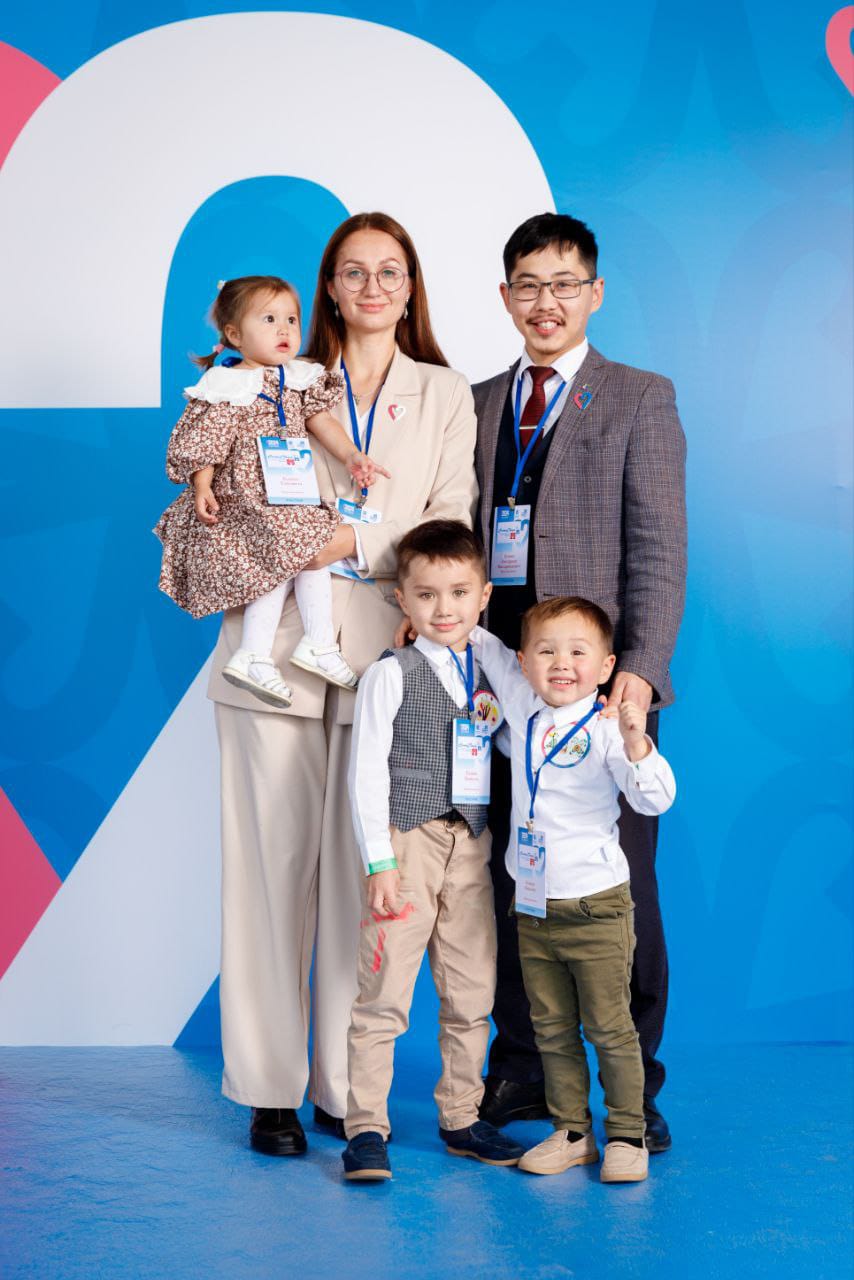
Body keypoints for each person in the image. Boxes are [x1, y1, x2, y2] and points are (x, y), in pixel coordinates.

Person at [205, 215, 479, 1156]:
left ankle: (338, 1086)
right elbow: (226, 493)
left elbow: (450, 517)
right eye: (352, 271)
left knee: (362, 877)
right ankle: (269, 1088)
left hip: (385, 653)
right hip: (272, 644)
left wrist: (348, 541)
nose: (371, 286)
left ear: (411, 287)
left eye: (389, 271)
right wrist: (290, 538)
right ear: (327, 285)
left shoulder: (444, 392)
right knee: (268, 872)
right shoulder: (271, 375)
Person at [474, 213, 686, 1151]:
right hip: (502, 691)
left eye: (564, 284)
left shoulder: (639, 396)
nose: (546, 301)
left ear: (594, 293)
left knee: (621, 884)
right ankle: (523, 1067)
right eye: (528, 284)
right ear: (506, 296)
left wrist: (639, 674)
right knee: (510, 876)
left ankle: (636, 1086)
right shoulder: (479, 402)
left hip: (601, 691)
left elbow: (660, 551)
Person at [341, 520, 524, 1181]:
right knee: (384, 992)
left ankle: (461, 1116)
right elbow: (366, 771)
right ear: (402, 599)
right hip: (408, 842)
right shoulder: (390, 673)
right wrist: (379, 861)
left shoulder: (493, 660)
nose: (444, 609)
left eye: (459, 593)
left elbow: (519, 726)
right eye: (425, 595)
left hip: (471, 842)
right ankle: (366, 1126)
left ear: (484, 595)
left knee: (472, 989)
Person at [471, 598, 676, 1183]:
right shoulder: (523, 709)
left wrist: (637, 744)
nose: (561, 663)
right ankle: (572, 1131)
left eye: (578, 652)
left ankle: (627, 1133)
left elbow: (655, 799)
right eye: (546, 651)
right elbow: (487, 648)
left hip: (596, 908)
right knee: (552, 1029)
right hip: (534, 907)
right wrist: (449, 621)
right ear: (524, 662)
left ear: (607, 666)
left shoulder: (609, 728)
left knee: (610, 1027)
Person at [154, 275, 388, 704]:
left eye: (291, 320)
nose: (285, 329)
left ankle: (313, 643)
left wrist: (352, 456)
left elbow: (322, 422)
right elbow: (208, 442)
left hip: (289, 494)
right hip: (248, 495)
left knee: (310, 550)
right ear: (234, 334)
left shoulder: (295, 378)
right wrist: (202, 485)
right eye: (269, 320)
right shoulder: (229, 384)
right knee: (283, 557)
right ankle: (258, 653)